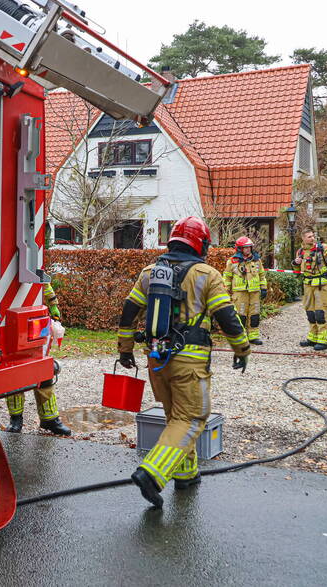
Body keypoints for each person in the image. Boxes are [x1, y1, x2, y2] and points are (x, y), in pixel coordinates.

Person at [117, 216, 251, 508]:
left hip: (157, 359)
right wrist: (242, 348)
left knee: (175, 417)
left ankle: (186, 474)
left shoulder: (150, 272)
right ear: (201, 245)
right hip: (189, 361)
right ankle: (152, 473)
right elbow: (227, 317)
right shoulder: (207, 274)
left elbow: (128, 312)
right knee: (191, 418)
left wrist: (125, 349)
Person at [5, 281, 71, 436]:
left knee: (43, 368)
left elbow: (43, 281)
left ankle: (49, 419)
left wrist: (53, 304)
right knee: (14, 371)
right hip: (9, 320)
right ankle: (16, 419)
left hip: (33, 317)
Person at [293, 230, 327, 351]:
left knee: (321, 313)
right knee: (310, 314)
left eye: (313, 236)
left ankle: (323, 341)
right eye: (309, 237)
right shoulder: (300, 251)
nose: (312, 238)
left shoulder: (321, 248)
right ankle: (312, 338)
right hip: (308, 286)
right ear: (303, 238)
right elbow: (298, 270)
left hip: (321, 286)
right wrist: (295, 263)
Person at [223, 236, 267, 346]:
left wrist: (263, 288)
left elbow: (262, 275)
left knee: (254, 315)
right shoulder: (232, 261)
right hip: (239, 293)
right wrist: (226, 291)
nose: (248, 249)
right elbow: (227, 277)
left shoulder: (256, 260)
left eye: (249, 247)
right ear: (239, 249)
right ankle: (241, 337)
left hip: (254, 292)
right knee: (240, 315)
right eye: (245, 247)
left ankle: (253, 336)